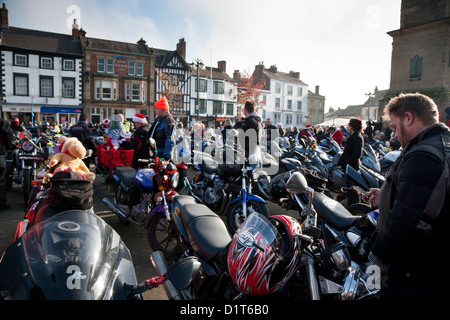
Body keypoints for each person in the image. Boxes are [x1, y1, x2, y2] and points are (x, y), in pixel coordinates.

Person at [356, 93, 450, 300]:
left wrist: (377, 246)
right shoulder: (441, 144)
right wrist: (386, 196)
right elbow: (433, 197)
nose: (394, 135)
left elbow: (408, 225)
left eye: (394, 127)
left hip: (416, 275)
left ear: (409, 118)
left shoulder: (424, 155)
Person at [338, 118, 364, 206]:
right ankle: (352, 207)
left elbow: (357, 154)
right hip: (349, 167)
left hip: (352, 167)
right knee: (350, 190)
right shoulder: (353, 136)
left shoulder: (357, 137)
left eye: (349, 125)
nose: (348, 127)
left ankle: (355, 208)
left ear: (352, 126)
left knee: (353, 191)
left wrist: (345, 160)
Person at [148, 96, 176, 160]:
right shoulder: (158, 120)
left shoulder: (168, 121)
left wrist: (166, 157)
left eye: (157, 108)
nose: (155, 110)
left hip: (161, 154)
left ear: (162, 109)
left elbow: (170, 140)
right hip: (156, 152)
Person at [0, 118, 16, 211]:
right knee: (1, 181)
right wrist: (8, 145)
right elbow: (9, 137)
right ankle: (1, 204)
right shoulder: (2, 123)